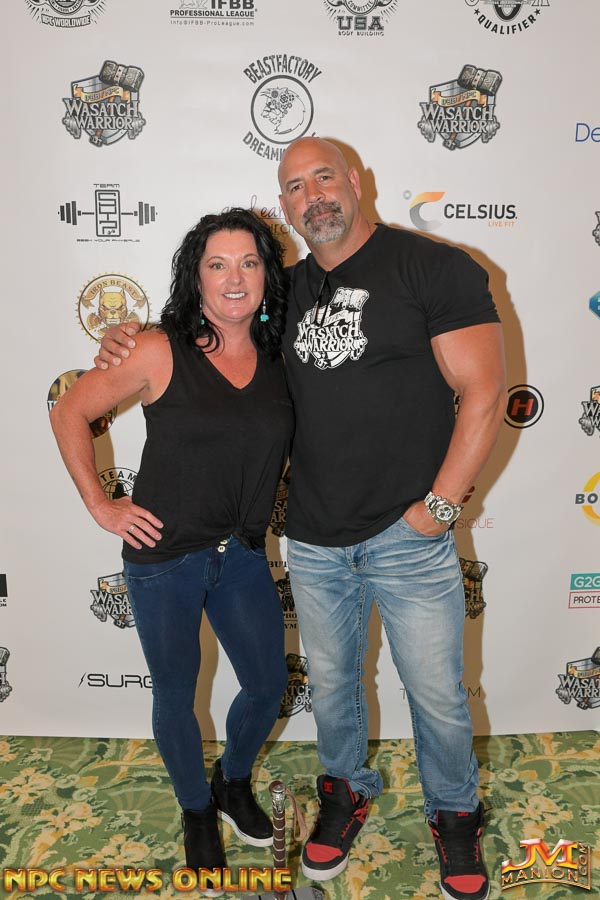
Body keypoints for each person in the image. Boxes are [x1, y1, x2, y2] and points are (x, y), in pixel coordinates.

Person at [95, 139, 507, 900]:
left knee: (438, 695)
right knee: (334, 689)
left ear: (356, 181)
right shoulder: (282, 291)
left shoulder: (432, 267)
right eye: (294, 186)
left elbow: (485, 391)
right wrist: (125, 338)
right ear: (283, 206)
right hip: (313, 541)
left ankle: (454, 812)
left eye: (324, 177)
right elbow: (210, 333)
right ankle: (344, 794)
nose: (312, 195)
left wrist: (441, 507)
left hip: (408, 537)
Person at [51, 209, 293, 894]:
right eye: (217, 264)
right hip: (163, 559)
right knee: (176, 693)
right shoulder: (159, 348)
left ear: (266, 274)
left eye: (248, 262)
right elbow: (69, 411)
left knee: (267, 684)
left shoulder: (284, 355)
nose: (233, 277)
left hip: (241, 553)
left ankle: (231, 782)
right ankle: (195, 811)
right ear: (197, 275)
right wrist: (102, 504)